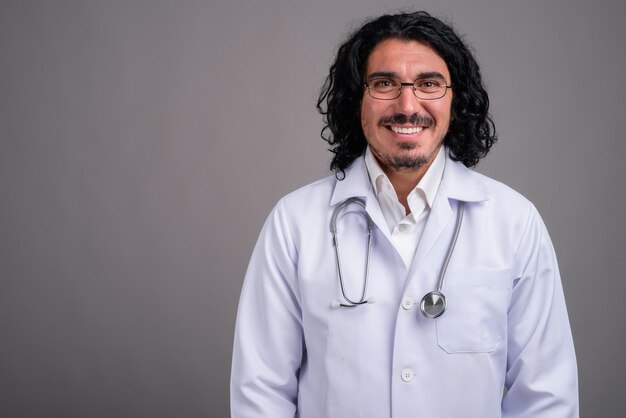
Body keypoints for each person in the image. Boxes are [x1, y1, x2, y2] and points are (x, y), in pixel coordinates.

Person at [230, 11, 578, 418]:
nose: (407, 105)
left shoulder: (515, 222)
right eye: (384, 84)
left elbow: (546, 395)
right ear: (355, 99)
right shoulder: (295, 222)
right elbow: (261, 390)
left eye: (429, 83)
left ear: (456, 98)